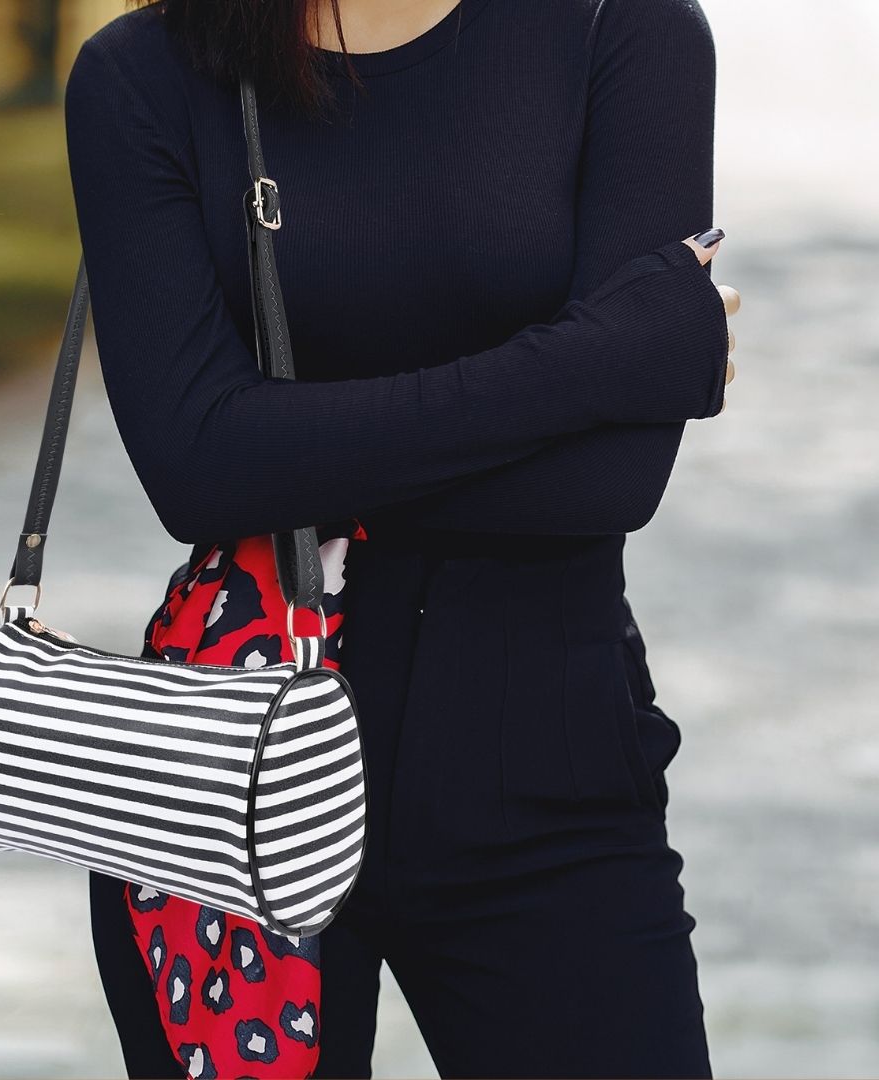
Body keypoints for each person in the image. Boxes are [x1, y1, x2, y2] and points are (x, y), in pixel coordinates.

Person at [64, 0, 742, 1076]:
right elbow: (196, 471)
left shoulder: (621, 28)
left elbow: (609, 479)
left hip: (550, 772)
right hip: (230, 796)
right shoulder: (147, 72)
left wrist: (287, 449)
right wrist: (604, 359)